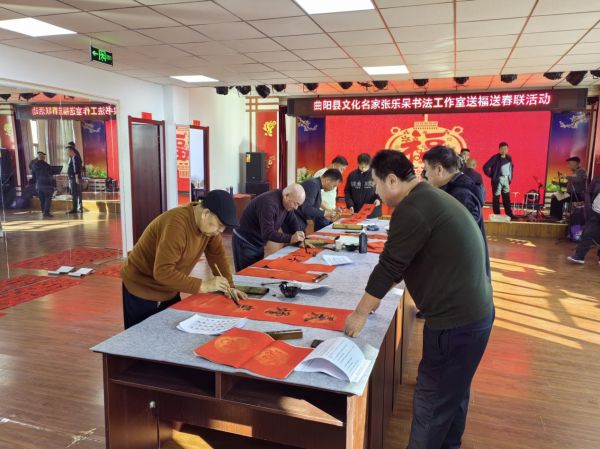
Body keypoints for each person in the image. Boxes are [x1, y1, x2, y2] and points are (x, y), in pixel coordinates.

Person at [344, 150, 493, 449]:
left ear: (392, 180)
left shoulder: (413, 208)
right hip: (474, 315)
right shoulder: (427, 197)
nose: (375, 191)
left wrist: (360, 313)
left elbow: (390, 266)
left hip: (455, 322)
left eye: (376, 184)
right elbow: (404, 261)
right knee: (453, 393)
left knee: (432, 401)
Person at [120, 189, 247, 329]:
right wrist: (203, 285)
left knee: (171, 332)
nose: (221, 231)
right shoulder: (176, 225)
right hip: (142, 285)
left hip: (170, 287)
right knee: (141, 335)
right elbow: (162, 272)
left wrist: (229, 287)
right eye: (220, 225)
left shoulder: (209, 230)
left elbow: (217, 256)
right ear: (205, 214)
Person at [423, 146, 490, 276]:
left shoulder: (461, 195)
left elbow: (460, 239)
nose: (425, 175)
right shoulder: (454, 189)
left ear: (439, 169)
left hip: (464, 273)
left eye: (426, 170)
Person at [233, 184, 306, 271]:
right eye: (295, 203)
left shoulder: (287, 203)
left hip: (258, 242)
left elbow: (292, 223)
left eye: (298, 205)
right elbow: (267, 233)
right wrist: (291, 238)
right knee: (246, 274)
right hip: (245, 241)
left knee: (256, 272)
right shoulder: (269, 203)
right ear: (286, 196)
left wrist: (300, 240)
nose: (296, 208)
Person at [567, 174, 600, 264]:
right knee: (587, 233)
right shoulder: (597, 179)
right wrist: (588, 205)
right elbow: (588, 192)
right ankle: (579, 256)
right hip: (595, 211)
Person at [344, 153, 381, 218]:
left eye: (366, 165)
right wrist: (350, 205)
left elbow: (383, 190)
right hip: (356, 212)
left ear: (370, 164)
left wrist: (378, 199)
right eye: (361, 165)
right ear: (358, 163)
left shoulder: (376, 174)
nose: (363, 167)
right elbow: (347, 192)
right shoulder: (352, 175)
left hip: (373, 212)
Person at [483, 142, 514, 218]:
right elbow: (485, 167)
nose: (504, 150)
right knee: (496, 198)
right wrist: (492, 175)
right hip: (498, 180)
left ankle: (509, 214)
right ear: (499, 149)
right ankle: (497, 215)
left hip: (506, 179)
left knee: (507, 198)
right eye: (502, 148)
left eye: (505, 148)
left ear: (508, 149)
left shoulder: (509, 158)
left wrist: (510, 178)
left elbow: (510, 168)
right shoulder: (495, 157)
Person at [31, 151, 55, 218]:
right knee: (48, 198)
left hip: (39, 184)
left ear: (38, 157)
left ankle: (43, 210)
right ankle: (46, 212)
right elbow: (51, 174)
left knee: (42, 198)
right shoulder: (47, 165)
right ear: (43, 157)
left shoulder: (34, 165)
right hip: (47, 184)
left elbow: (33, 176)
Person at [66, 143, 83, 214]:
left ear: (71, 150)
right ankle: (77, 208)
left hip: (74, 178)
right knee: (76, 193)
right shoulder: (73, 158)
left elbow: (76, 168)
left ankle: (76, 208)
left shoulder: (74, 157)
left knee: (76, 193)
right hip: (73, 178)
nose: (67, 153)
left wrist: (76, 178)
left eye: (68, 151)